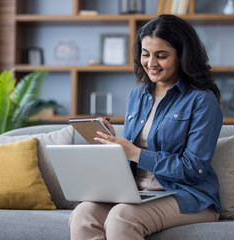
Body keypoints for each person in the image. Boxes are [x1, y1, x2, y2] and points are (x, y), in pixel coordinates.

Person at [69, 14, 223, 240]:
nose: (151, 63)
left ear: (182, 56)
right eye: (145, 54)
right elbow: (134, 148)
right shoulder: (137, 95)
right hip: (137, 193)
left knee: (122, 217)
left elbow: (194, 168)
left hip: (188, 196)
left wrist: (134, 152)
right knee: (83, 213)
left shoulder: (202, 100)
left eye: (161, 56)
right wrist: (112, 142)